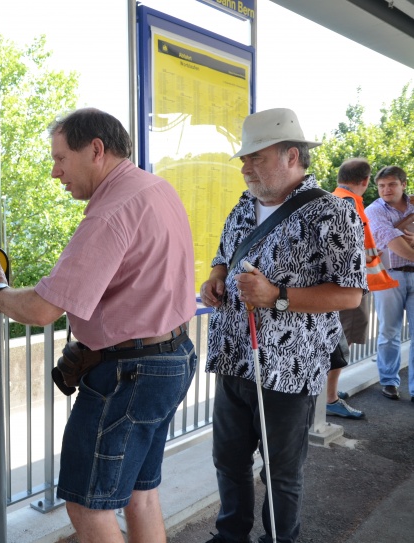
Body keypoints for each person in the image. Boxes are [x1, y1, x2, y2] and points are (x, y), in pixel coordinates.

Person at [0, 108, 197, 543]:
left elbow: (42, 310)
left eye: (60, 159)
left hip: (128, 373)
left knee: (86, 504)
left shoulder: (110, 213)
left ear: (96, 149)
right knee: (140, 494)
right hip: (171, 356)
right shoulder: (156, 189)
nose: (56, 174)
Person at [199, 108, 365, 543]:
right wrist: (214, 279)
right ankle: (229, 535)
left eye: (256, 156)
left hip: (288, 369)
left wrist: (277, 296)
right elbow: (224, 255)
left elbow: (350, 294)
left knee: (280, 472)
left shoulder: (331, 212)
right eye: (244, 157)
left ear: (292, 155)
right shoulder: (244, 205)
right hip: (234, 356)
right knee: (228, 460)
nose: (245, 166)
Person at [327, 158, 398, 418]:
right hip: (347, 289)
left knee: (337, 342)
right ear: (367, 181)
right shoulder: (349, 205)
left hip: (339, 288)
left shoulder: (335, 198)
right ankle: (330, 398)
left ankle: (328, 393)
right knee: (340, 345)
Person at [365, 165, 414, 402]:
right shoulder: (374, 211)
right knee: (389, 331)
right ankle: (389, 381)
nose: (386, 190)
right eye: (382, 185)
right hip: (389, 274)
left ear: (404, 184)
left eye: (392, 184)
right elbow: (392, 242)